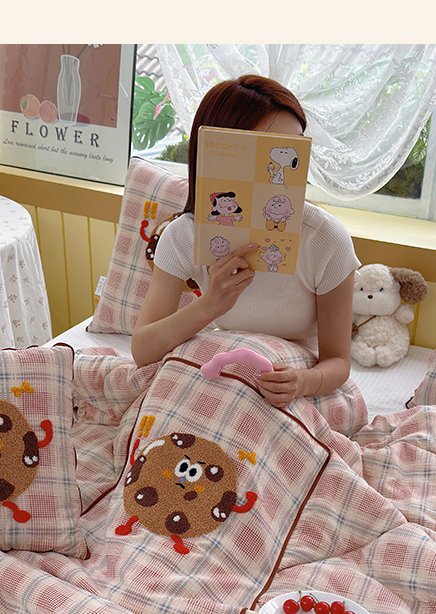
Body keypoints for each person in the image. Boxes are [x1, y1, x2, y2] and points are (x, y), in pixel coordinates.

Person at [131, 75, 360, 408]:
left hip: (293, 387)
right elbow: (142, 350)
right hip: (226, 373)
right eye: (269, 152)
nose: (285, 168)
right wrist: (210, 305)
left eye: (295, 150)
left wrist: (303, 382)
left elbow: (338, 361)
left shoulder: (325, 239)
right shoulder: (182, 236)